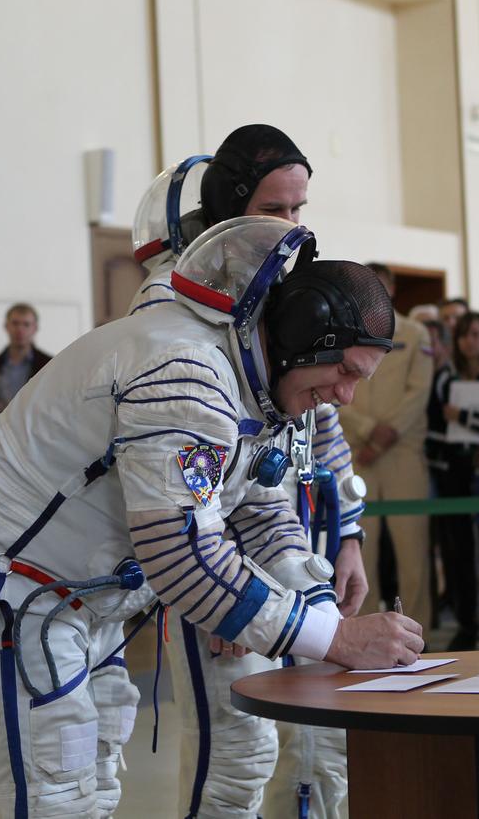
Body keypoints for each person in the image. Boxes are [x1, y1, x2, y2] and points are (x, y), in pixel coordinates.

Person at [0, 218, 423, 818]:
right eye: (343, 374)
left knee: (94, 784)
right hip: (10, 579)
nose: (346, 398)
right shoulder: (185, 367)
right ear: (302, 338)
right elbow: (179, 552)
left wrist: (313, 598)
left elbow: (258, 509)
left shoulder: (247, 380)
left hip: (77, 592)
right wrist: (334, 638)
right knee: (59, 796)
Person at [128, 135, 362, 818]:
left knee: (327, 729)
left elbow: (325, 416)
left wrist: (347, 534)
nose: (290, 227)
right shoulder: (180, 315)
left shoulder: (278, 298)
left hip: (290, 538)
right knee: (237, 750)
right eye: (272, 209)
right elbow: (188, 461)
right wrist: (226, 595)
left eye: (298, 208)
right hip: (213, 549)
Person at [342, 263, 435, 625]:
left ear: (392, 288)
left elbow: (419, 392)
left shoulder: (415, 333)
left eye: (379, 286)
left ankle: (419, 632)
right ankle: (364, 630)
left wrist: (386, 435)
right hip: (357, 455)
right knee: (360, 550)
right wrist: (366, 428)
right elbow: (334, 393)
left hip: (402, 454)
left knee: (413, 553)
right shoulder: (345, 334)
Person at [427, 313, 479, 649]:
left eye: (477, 334)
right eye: (464, 335)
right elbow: (435, 425)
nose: (471, 341)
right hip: (454, 474)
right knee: (459, 554)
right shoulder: (445, 376)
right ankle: (468, 625)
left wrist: (464, 417)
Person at [0, 303, 52, 414]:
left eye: (26, 324)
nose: (20, 329)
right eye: (15, 323)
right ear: (6, 326)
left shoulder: (49, 364)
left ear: (35, 328)